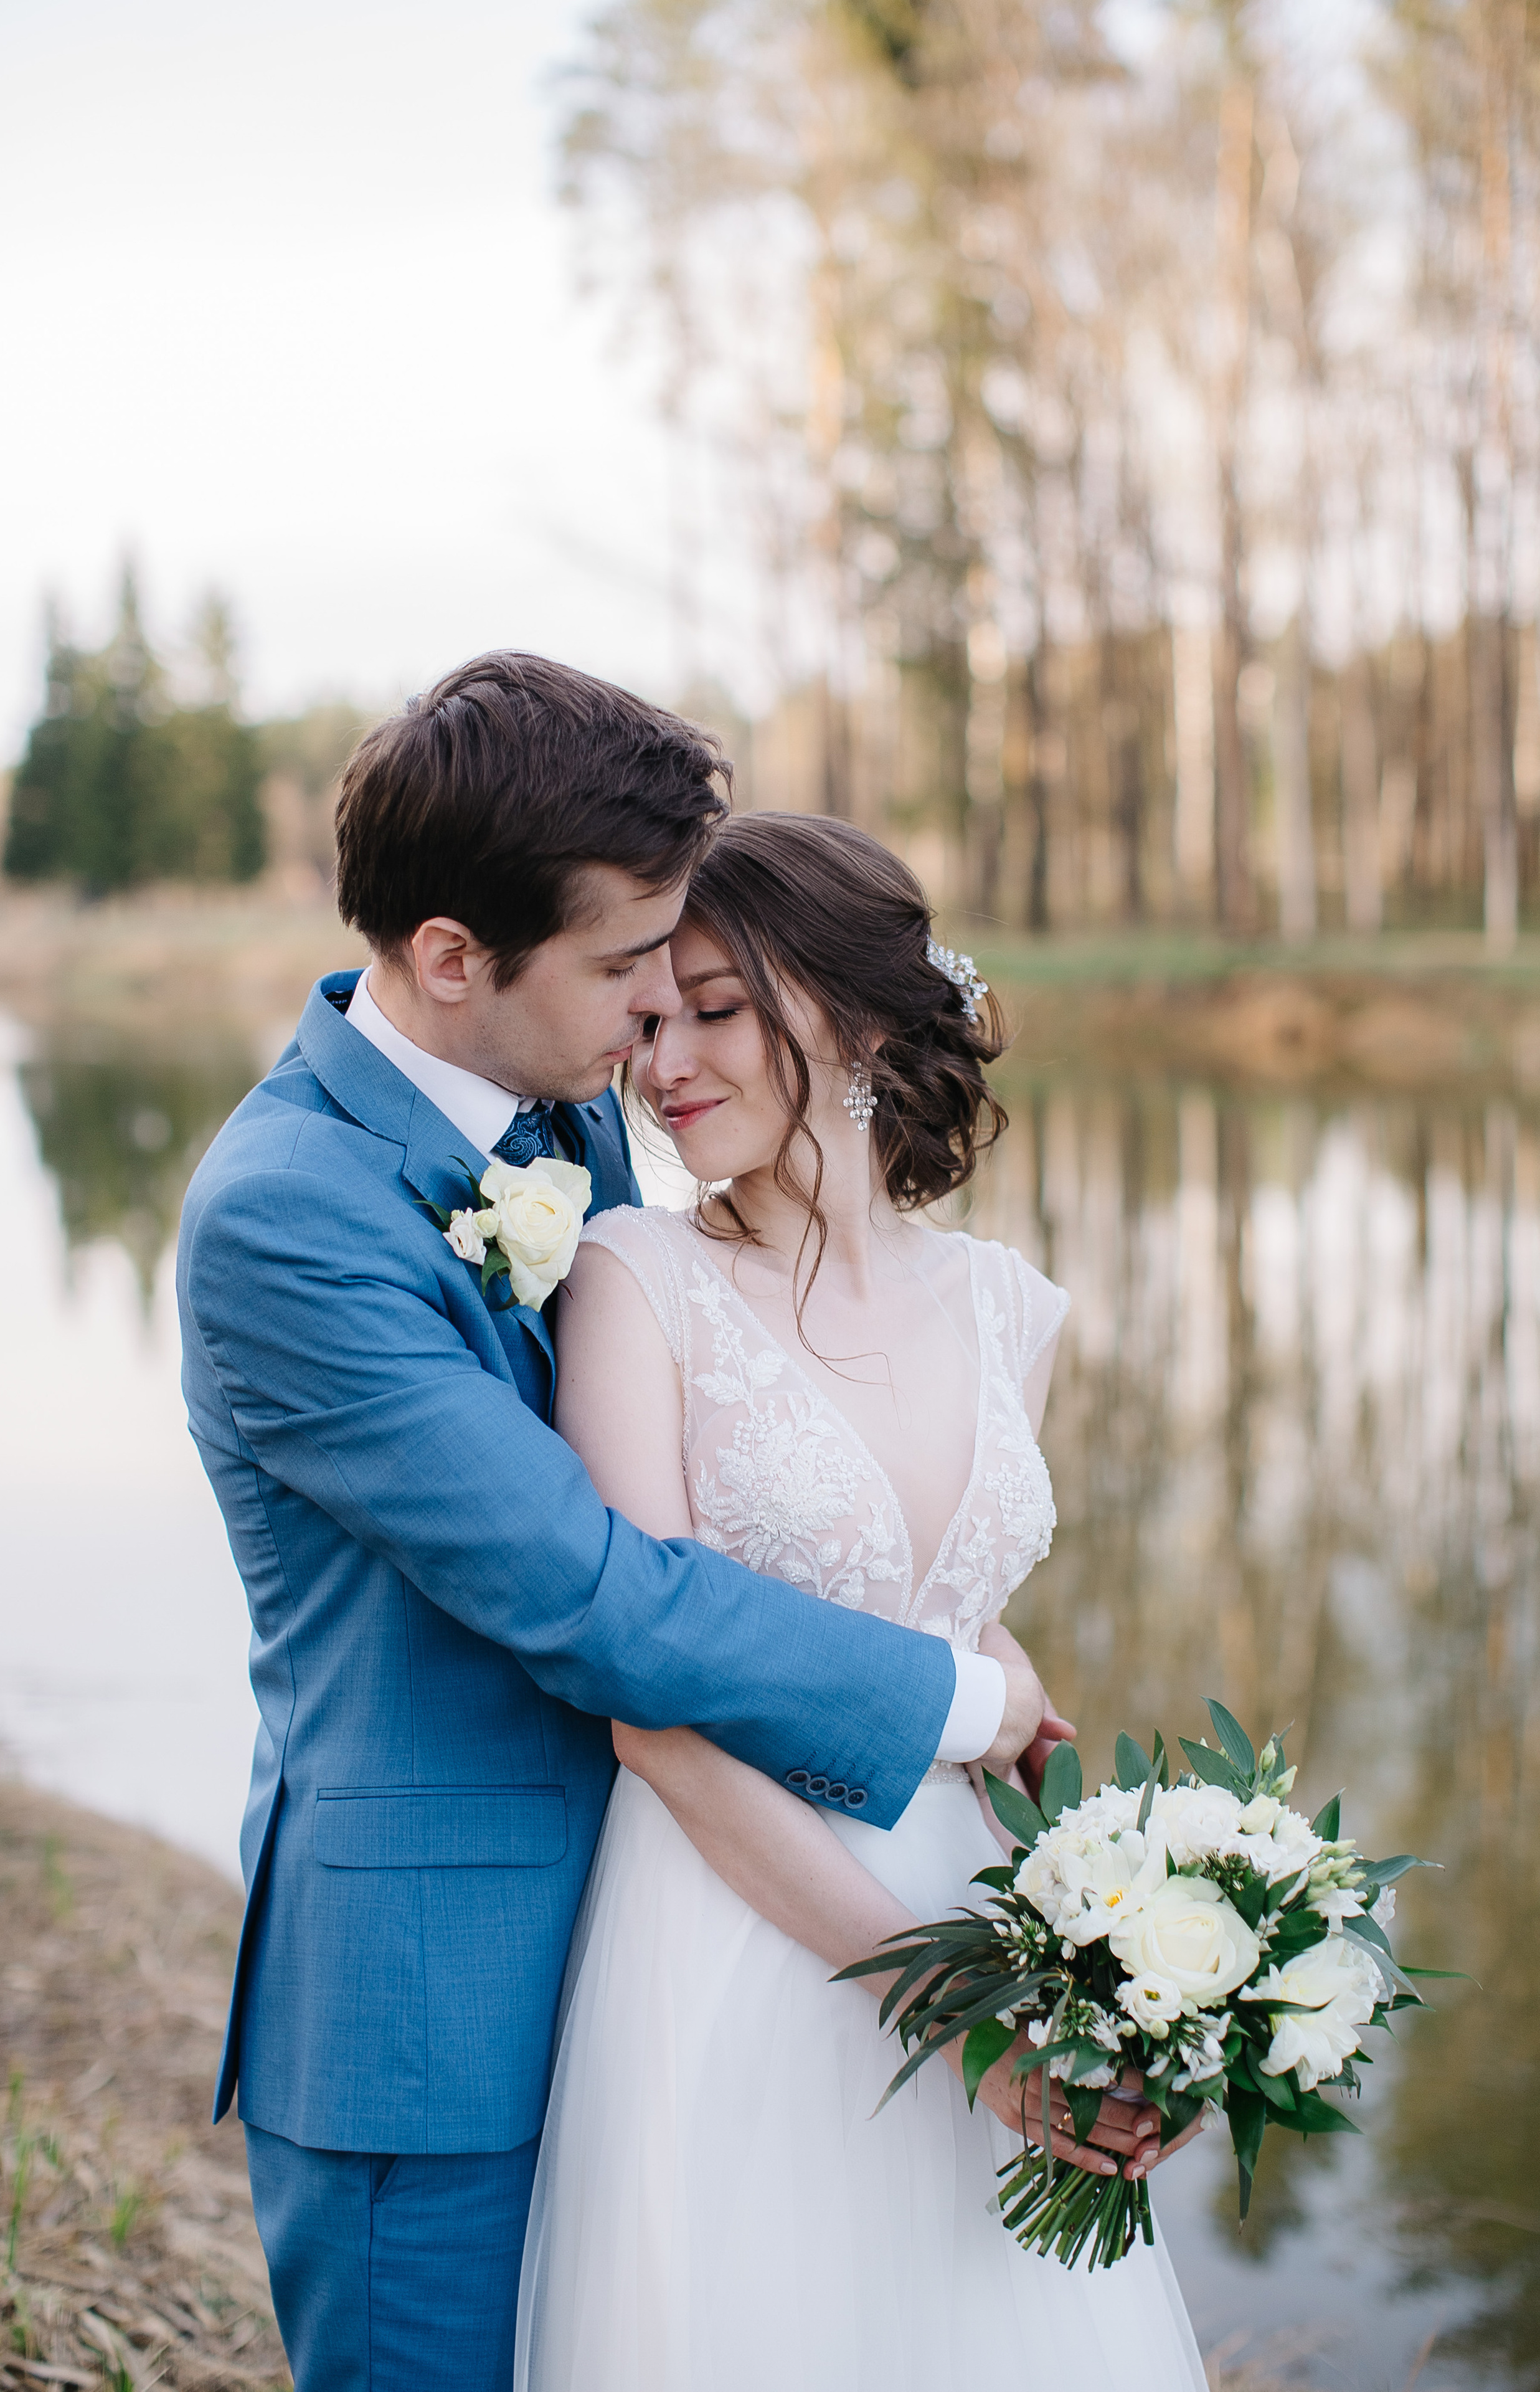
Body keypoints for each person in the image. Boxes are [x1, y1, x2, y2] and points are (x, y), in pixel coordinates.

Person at [175, 656, 1134, 2392]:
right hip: (437, 2007)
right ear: (457, 958)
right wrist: (956, 1696)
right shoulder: (287, 1214)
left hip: (672, 1940)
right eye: (631, 971)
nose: (652, 1035)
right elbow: (597, 1595)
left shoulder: (565, 1128)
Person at [516, 811, 1209, 2392]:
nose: (664, 1059)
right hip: (733, 1925)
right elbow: (653, 1715)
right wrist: (942, 2012)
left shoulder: (1007, 1306)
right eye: (649, 1016)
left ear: (851, 1016)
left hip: (972, 1893)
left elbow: (926, 1603)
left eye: (716, 1008)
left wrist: (1098, 1900)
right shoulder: (634, 1277)